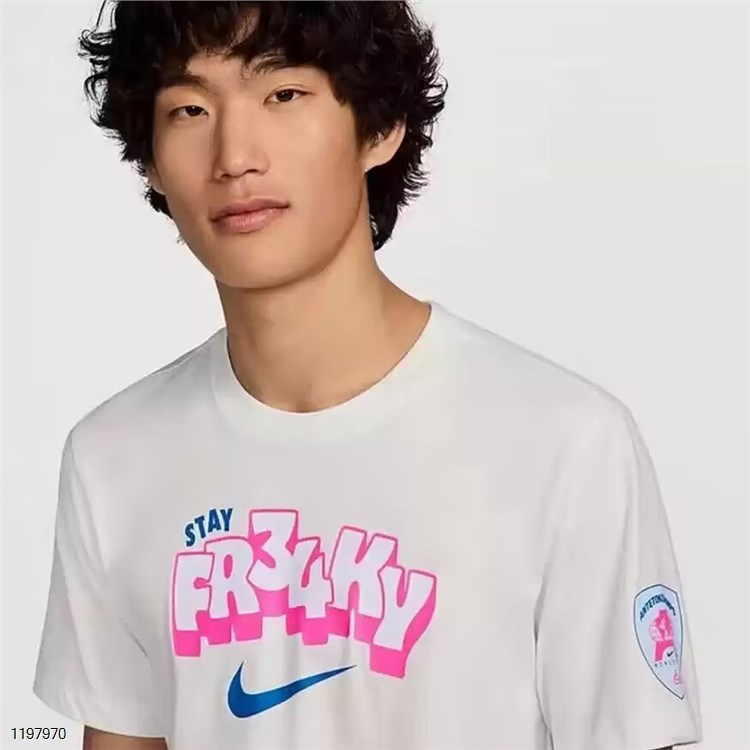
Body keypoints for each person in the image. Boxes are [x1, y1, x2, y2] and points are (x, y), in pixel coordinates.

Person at [32, 2, 702, 749]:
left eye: (283, 93)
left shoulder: (565, 444)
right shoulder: (114, 458)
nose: (234, 156)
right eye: (189, 109)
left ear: (380, 128)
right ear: (152, 159)